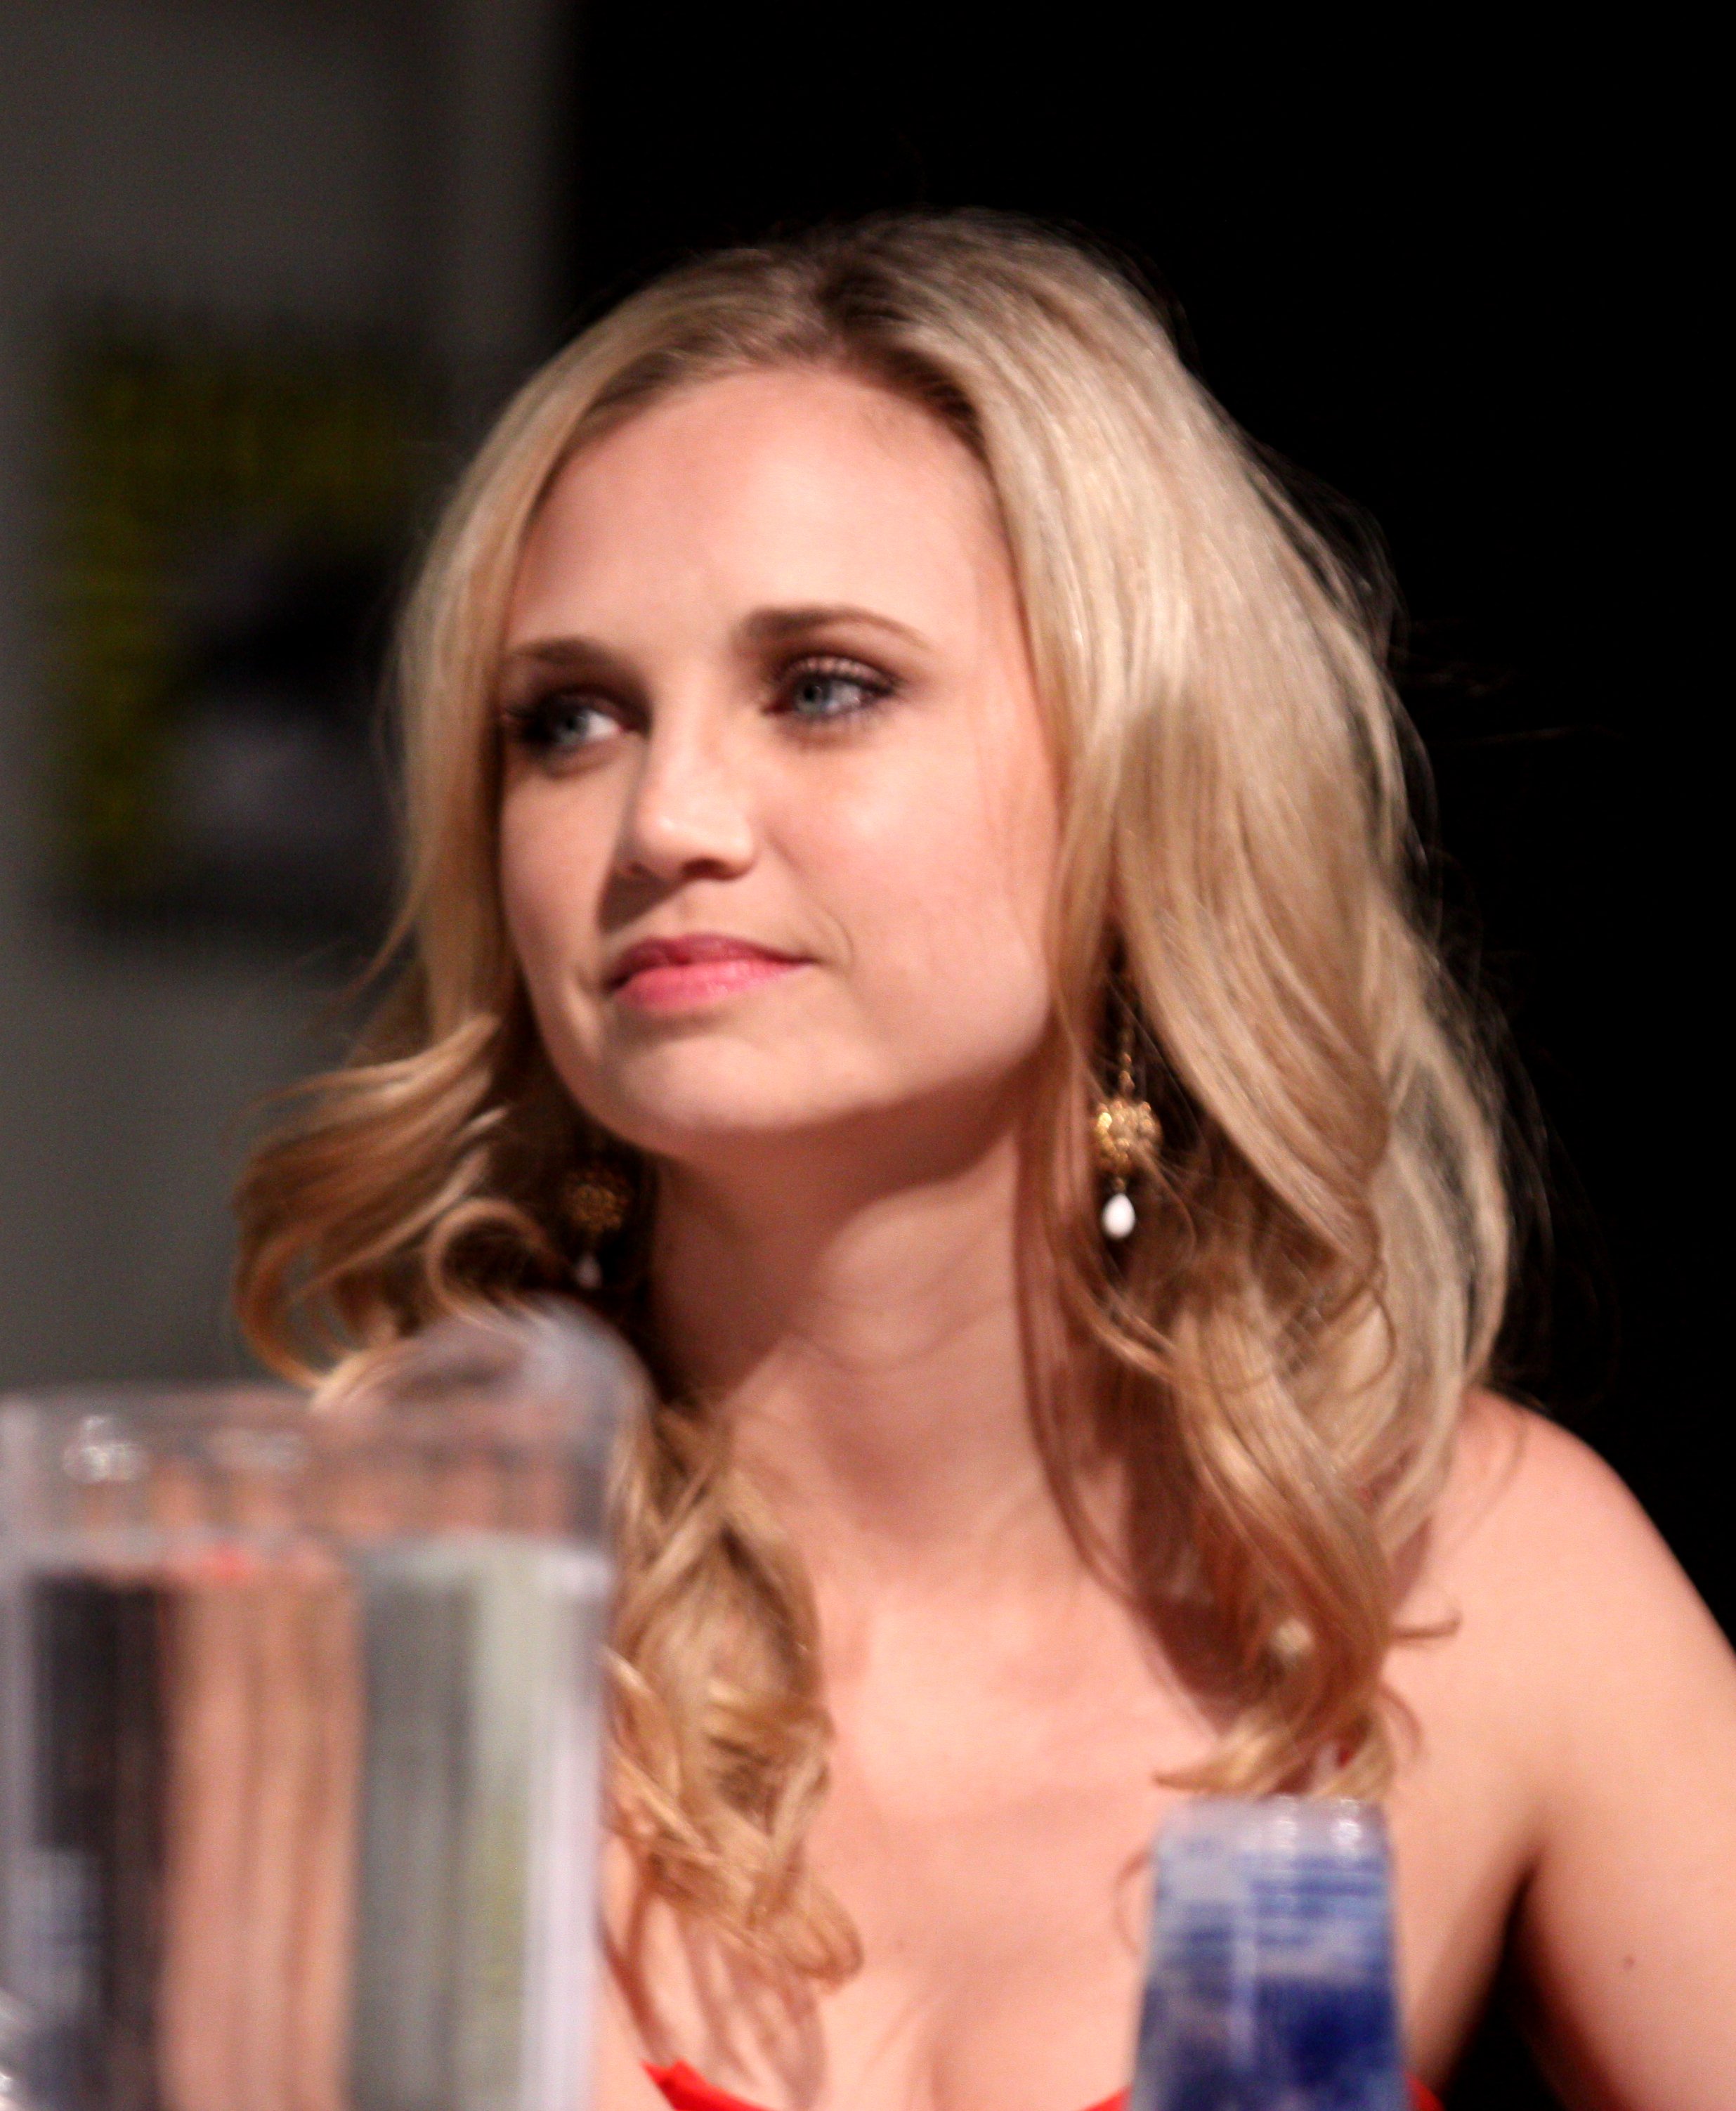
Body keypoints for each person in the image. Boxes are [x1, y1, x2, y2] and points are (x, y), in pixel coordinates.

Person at [235, 214, 1736, 2110]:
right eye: (570, 720)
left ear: (1137, 771)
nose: (665, 816)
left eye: (824, 685)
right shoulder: (353, 1600)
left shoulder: (1472, 1573)